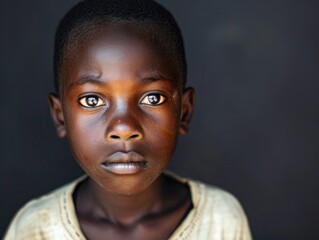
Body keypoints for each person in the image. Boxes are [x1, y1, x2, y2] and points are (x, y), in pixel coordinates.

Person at [4, 0, 252, 239]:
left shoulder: (221, 221)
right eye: (92, 100)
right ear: (60, 117)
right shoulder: (34, 228)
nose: (123, 128)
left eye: (153, 98)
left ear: (184, 112)